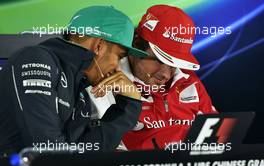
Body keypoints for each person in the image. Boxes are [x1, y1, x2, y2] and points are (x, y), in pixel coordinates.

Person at [0, 6, 148, 155]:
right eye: (119, 56)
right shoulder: (35, 59)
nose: (117, 68)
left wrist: (128, 105)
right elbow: (48, 152)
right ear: (99, 46)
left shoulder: (81, 96)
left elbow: (85, 157)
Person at [121, 5, 218, 150]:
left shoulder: (189, 80)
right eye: (159, 60)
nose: (166, 74)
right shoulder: (106, 81)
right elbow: (101, 157)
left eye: (175, 63)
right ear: (136, 44)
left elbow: (217, 139)